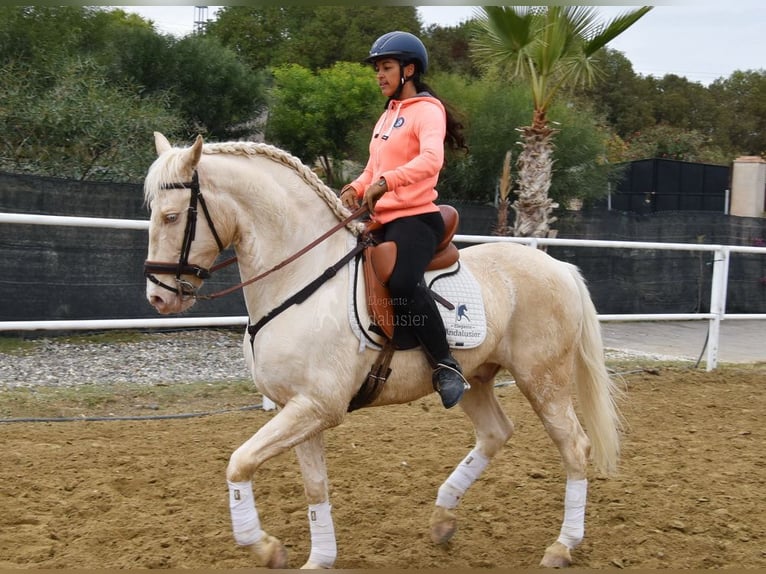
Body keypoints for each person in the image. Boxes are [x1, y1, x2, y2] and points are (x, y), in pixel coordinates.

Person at [340, 30, 469, 409]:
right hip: (383, 220)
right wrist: (355, 187)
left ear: (408, 70)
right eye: (377, 68)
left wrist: (386, 182)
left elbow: (431, 160)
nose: (379, 74)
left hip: (417, 219)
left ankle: (446, 365)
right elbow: (372, 169)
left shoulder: (428, 110)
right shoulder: (388, 115)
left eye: (386, 67)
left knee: (402, 281)